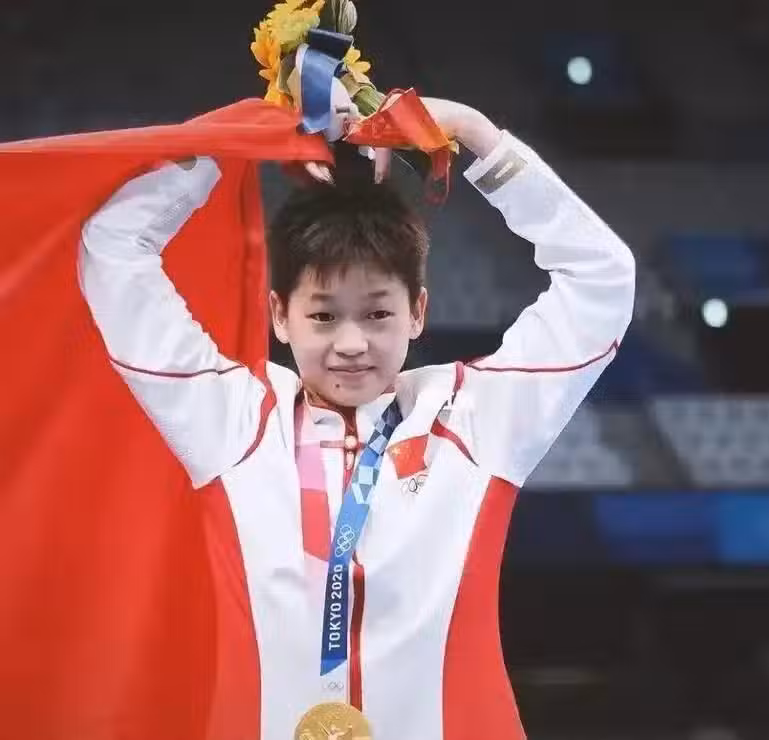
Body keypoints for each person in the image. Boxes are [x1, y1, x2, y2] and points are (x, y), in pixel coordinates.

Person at [77, 95, 636, 740]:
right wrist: (234, 139)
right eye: (322, 315)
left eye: (377, 314)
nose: (351, 343)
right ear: (280, 315)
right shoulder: (233, 420)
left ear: (417, 312)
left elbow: (601, 278)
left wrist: (475, 134)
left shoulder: (474, 419)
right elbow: (113, 249)